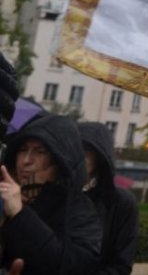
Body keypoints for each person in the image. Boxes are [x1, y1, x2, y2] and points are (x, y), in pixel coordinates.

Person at [0, 113, 102, 274]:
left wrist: (20, 215)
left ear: (59, 161)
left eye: (40, 152)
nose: (26, 160)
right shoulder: (4, 196)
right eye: (22, 150)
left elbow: (74, 266)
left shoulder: (79, 210)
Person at [77, 122, 138, 275]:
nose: (80, 155)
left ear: (100, 156)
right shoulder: (55, 192)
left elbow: (121, 264)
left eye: (88, 150)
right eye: (76, 146)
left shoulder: (121, 203)